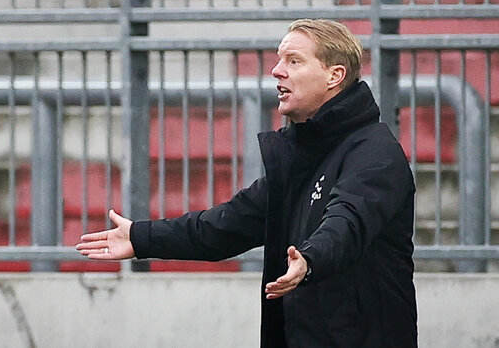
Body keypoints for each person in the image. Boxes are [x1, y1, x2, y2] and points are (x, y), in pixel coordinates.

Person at [75, 19, 418, 348]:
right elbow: (223, 226)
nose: (277, 70)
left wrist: (309, 260)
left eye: (294, 61)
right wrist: (141, 236)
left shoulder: (376, 152)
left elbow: (347, 223)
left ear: (334, 75)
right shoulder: (301, 157)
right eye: (280, 59)